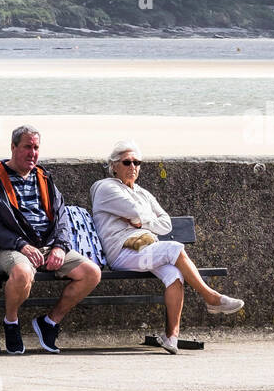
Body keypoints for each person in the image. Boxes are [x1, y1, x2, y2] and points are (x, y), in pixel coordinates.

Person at [90, 140, 243, 355]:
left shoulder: (143, 193)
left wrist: (142, 222)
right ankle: (210, 297)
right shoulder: (105, 187)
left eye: (137, 162)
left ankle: (171, 337)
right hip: (122, 253)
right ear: (114, 165)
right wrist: (144, 217)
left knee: (174, 275)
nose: (132, 166)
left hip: (146, 249)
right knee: (175, 248)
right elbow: (134, 210)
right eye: (127, 162)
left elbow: (166, 223)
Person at [0, 125, 101, 354]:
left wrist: (60, 247)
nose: (32, 153)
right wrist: (21, 245)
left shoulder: (44, 178)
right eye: (27, 147)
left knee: (91, 273)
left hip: (47, 245)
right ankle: (11, 323)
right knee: (23, 273)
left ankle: (49, 322)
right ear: (13, 147)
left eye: (35, 148)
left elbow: (62, 217)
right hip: (8, 248)